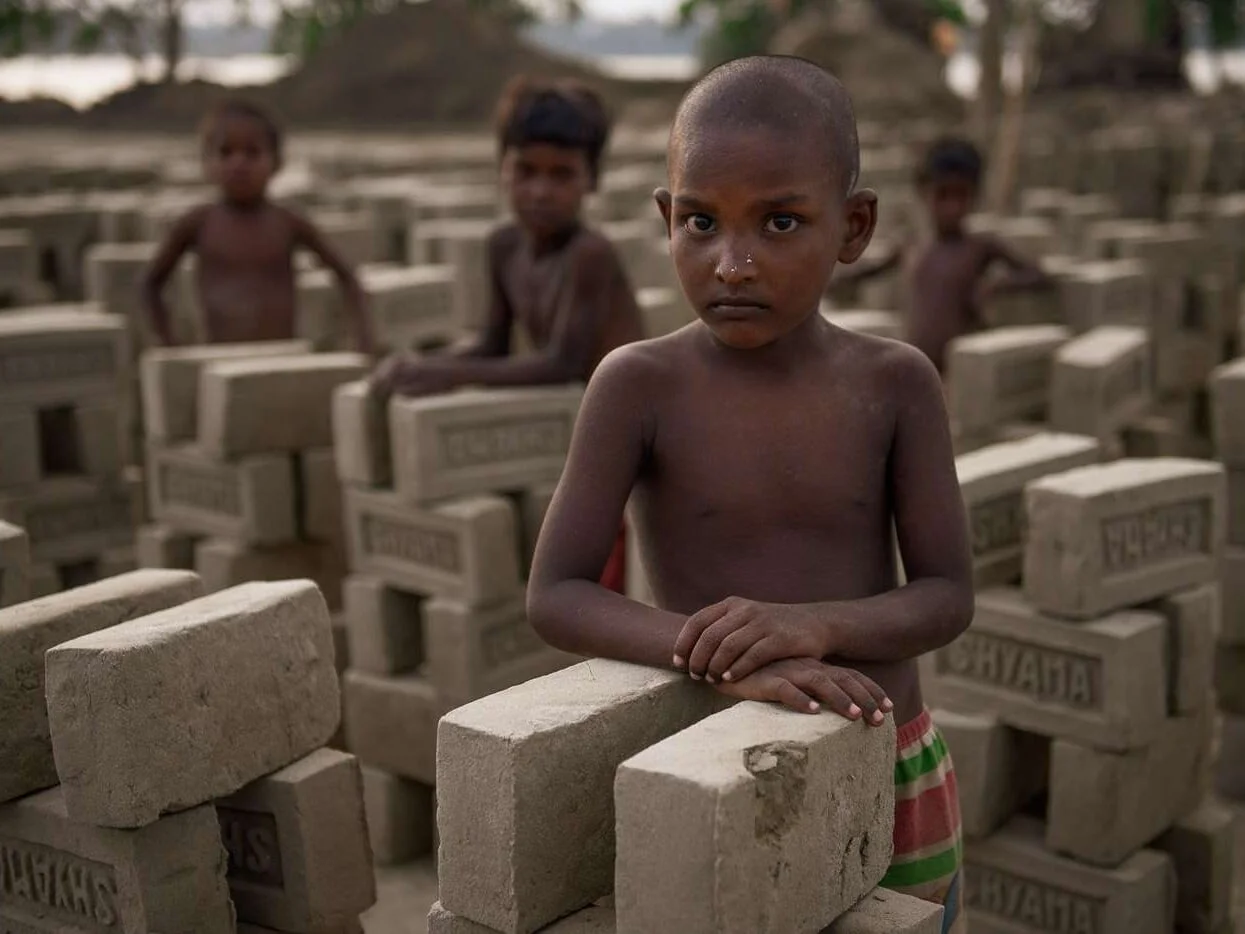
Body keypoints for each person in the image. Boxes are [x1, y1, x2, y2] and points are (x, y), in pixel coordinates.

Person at [526, 56, 973, 932]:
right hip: (710, 758)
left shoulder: (895, 385)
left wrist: (814, 625)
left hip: (882, 753)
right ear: (664, 220)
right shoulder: (636, 385)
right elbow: (556, 594)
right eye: (700, 221)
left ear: (853, 226)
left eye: (778, 222)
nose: (732, 263)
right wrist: (727, 656)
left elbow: (946, 596)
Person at [371, 76, 645, 594]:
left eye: (561, 175)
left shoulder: (589, 254)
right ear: (502, 168)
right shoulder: (502, 247)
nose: (540, 190)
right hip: (573, 423)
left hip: (625, 433)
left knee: (608, 578)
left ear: (592, 180)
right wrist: (422, 365)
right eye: (525, 171)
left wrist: (444, 373)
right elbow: (491, 344)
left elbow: (559, 363)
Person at [141, 98, 374, 352]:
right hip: (218, 361)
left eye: (252, 153)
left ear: (277, 163)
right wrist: (167, 342)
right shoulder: (198, 223)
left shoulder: (288, 222)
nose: (238, 164)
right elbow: (151, 284)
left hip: (279, 359)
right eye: (225, 152)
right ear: (206, 164)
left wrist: (362, 337)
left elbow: (346, 277)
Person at [828, 136, 1052, 374]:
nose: (952, 207)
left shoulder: (980, 247)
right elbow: (874, 269)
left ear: (974, 197)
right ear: (924, 193)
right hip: (917, 365)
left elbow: (1039, 276)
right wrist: (836, 278)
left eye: (961, 196)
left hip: (959, 372)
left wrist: (998, 284)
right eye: (943, 195)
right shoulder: (912, 244)